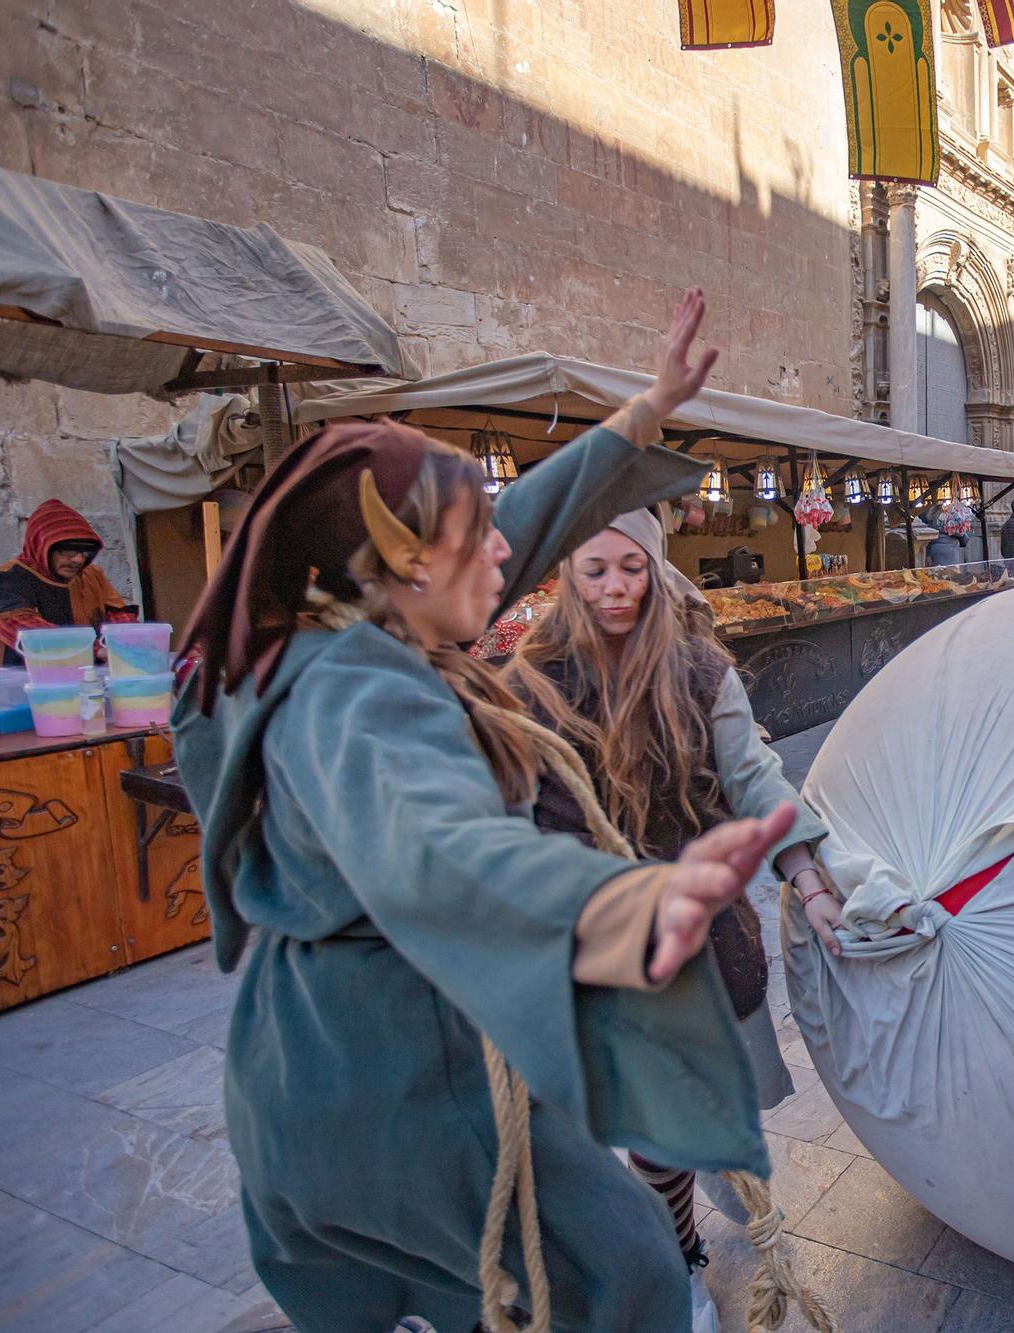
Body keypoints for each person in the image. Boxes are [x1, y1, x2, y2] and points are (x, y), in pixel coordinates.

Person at [171, 291, 804, 1332]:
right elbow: (437, 850)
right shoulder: (357, 691)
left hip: (303, 1062)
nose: (509, 558)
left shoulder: (339, 634)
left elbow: (521, 521)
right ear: (405, 565)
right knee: (626, 1277)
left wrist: (642, 414)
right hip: (408, 1078)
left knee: (408, 1297)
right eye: (475, 541)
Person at [499, 505, 835, 1330]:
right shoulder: (526, 682)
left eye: (632, 567)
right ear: (566, 580)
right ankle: (678, 1255)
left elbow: (754, 778)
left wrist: (808, 874)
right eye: (595, 569)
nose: (615, 586)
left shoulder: (697, 669)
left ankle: (701, 1168)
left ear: (656, 573)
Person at [0, 499, 138, 667]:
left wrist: (125, 642)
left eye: (85, 552)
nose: (77, 559)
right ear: (42, 546)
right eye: (68, 551)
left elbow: (118, 613)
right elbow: (31, 634)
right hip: (10, 684)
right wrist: (96, 649)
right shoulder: (0, 582)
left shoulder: (91, 575)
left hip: (80, 677)